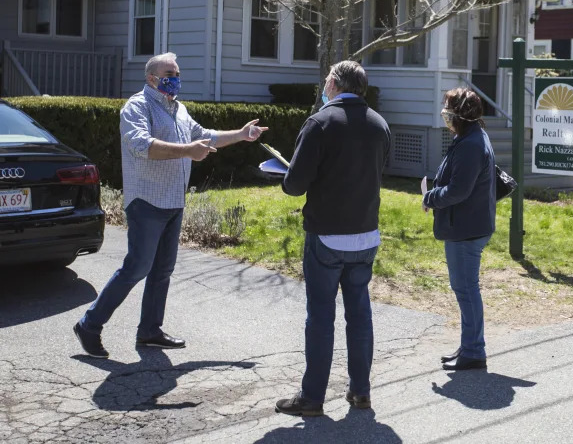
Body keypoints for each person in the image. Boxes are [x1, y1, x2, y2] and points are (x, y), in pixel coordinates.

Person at [74, 52, 268, 358]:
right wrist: (187, 151)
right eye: (169, 73)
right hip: (147, 202)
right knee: (136, 268)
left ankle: (150, 330)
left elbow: (204, 137)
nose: (175, 78)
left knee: (162, 270)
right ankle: (89, 324)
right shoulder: (137, 106)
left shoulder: (178, 109)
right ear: (152, 77)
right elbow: (140, 145)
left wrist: (242, 135)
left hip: (173, 202)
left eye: (177, 73)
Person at [275, 61, 391, 418]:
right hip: (366, 233)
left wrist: (282, 175)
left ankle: (312, 397)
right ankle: (360, 391)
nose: (324, 84)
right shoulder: (379, 124)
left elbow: (295, 185)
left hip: (327, 236)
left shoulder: (320, 123)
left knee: (321, 317)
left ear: (336, 84)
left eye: (327, 78)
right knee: (360, 316)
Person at [423, 88, 496, 372]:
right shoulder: (471, 138)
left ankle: (474, 351)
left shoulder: (470, 145)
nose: (444, 117)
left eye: (447, 112)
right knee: (465, 289)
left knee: (466, 290)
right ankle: (469, 345)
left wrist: (429, 198)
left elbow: (458, 190)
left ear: (459, 117)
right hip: (469, 224)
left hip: (466, 228)